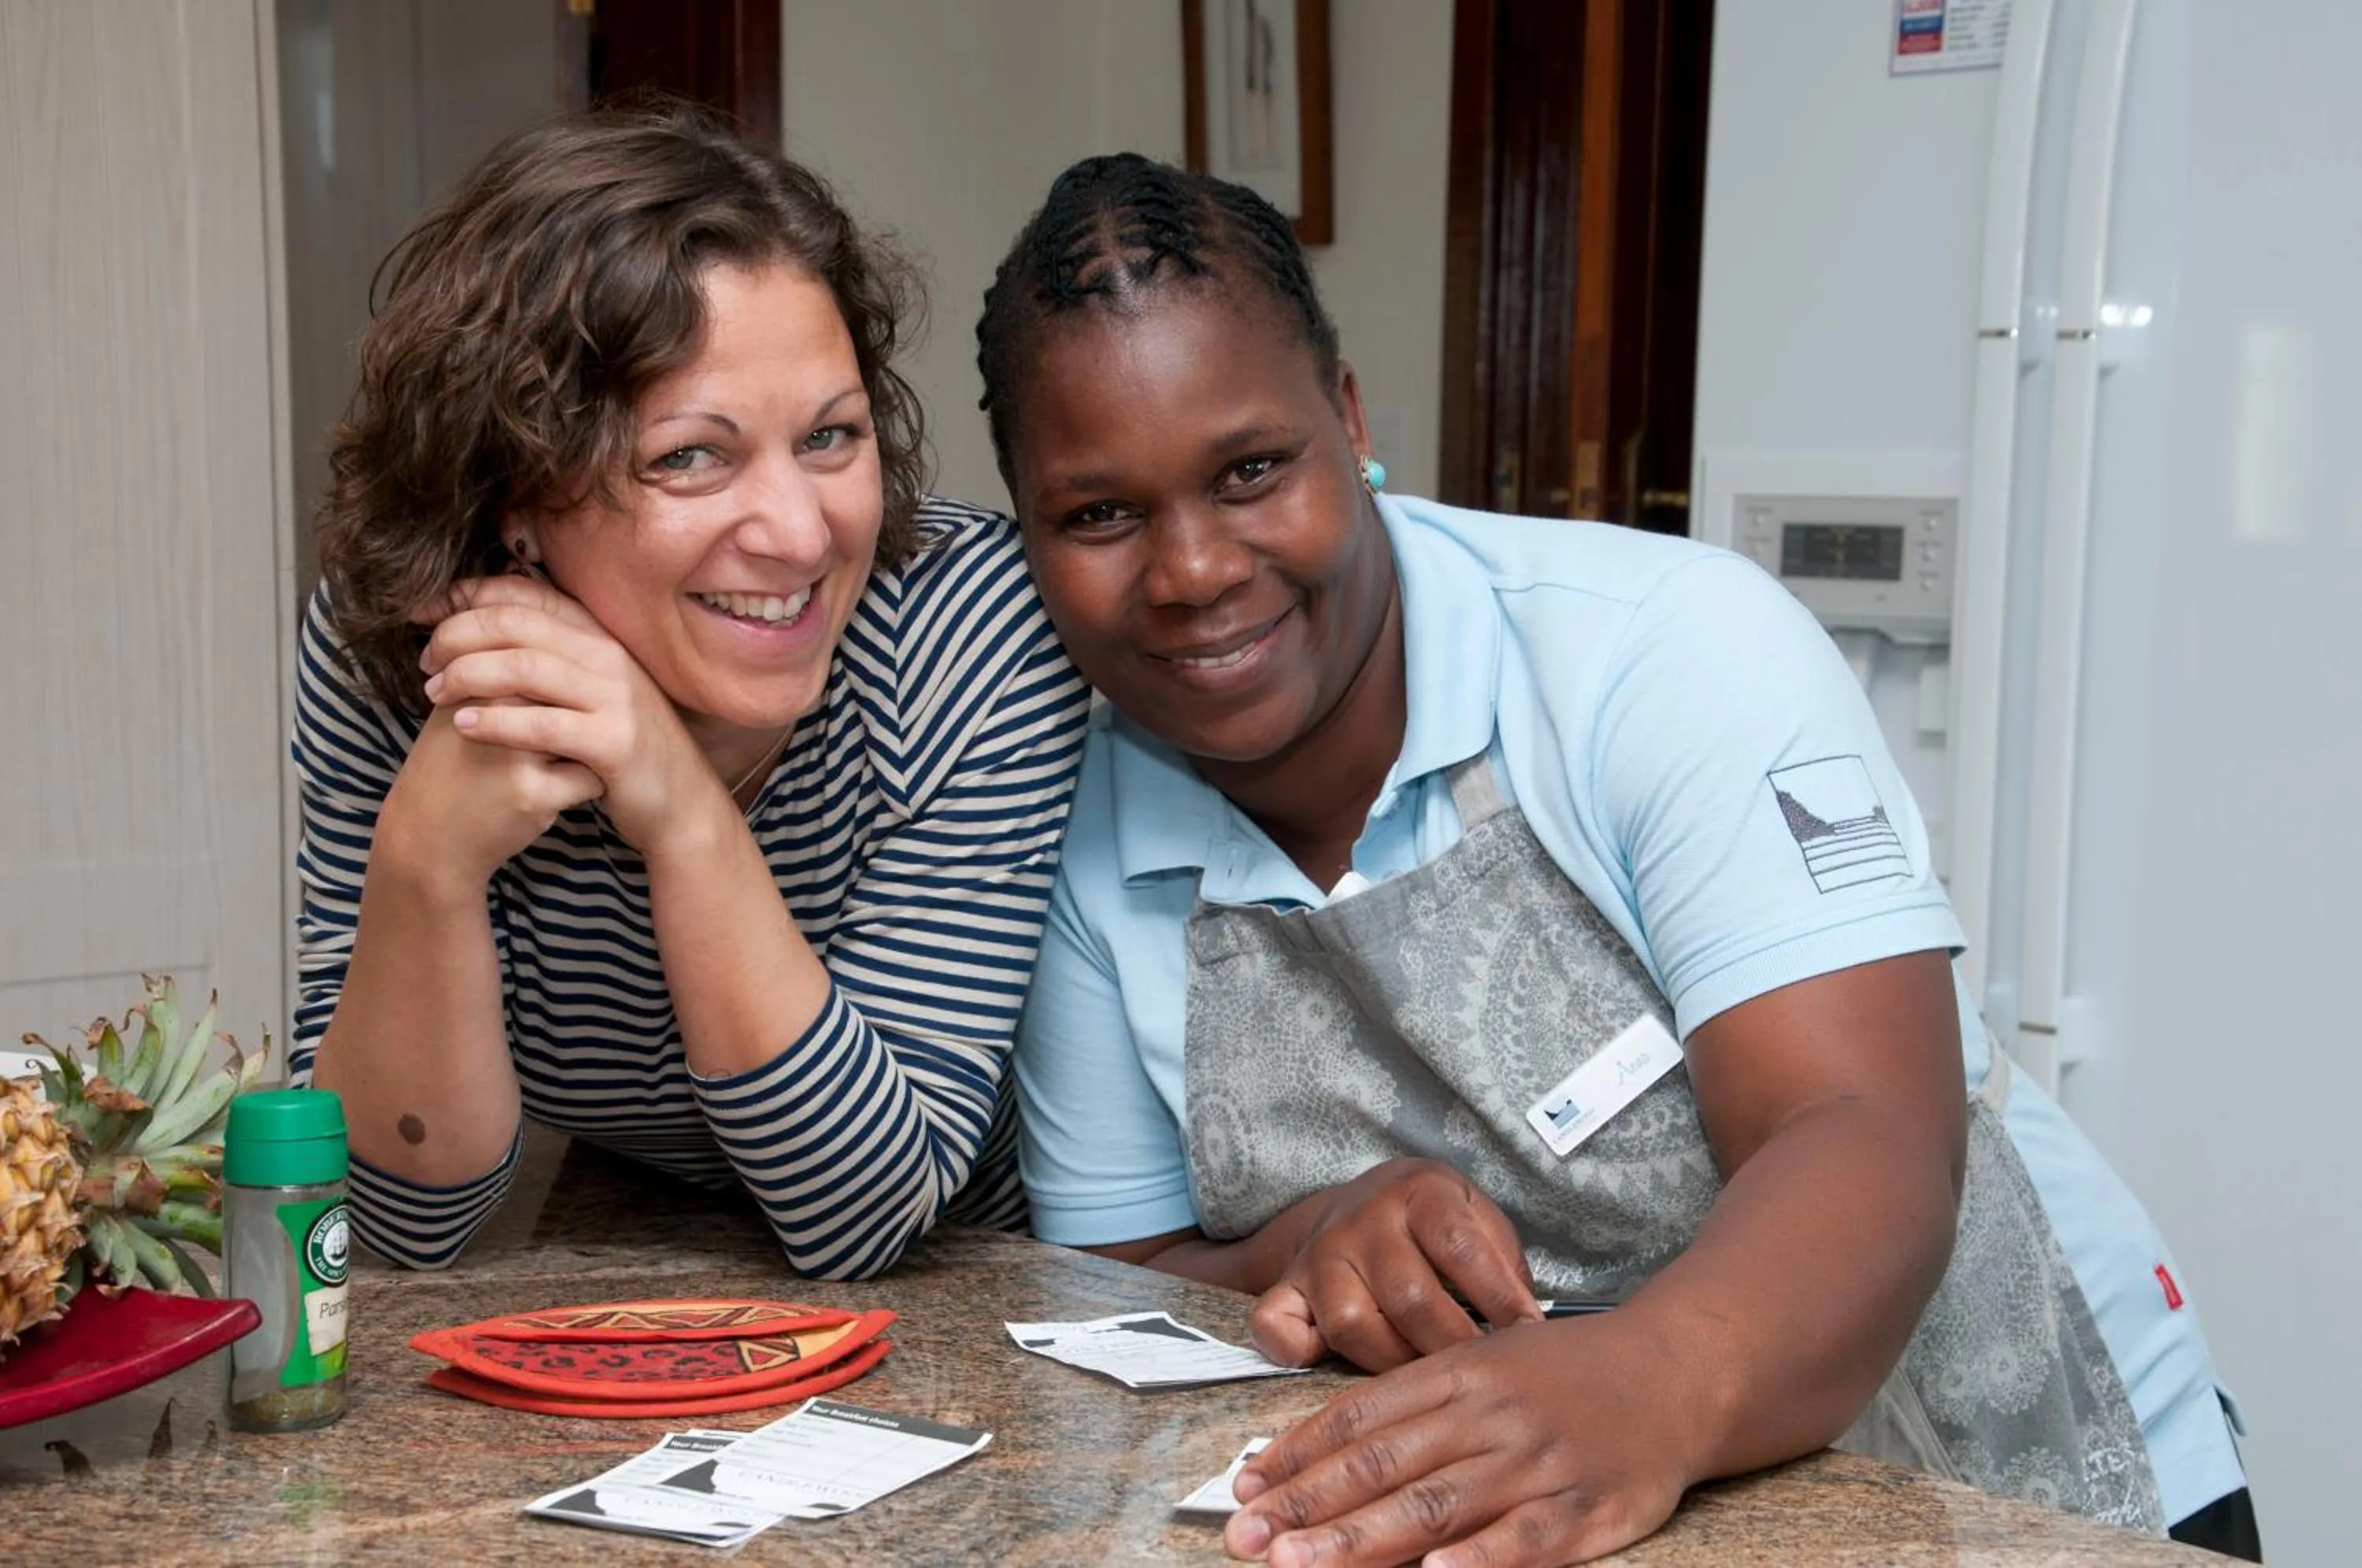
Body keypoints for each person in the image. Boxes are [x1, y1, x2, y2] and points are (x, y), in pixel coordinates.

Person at [987, 155, 2258, 1565]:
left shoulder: (1668, 652)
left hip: (2010, 1478)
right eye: (1099, 514)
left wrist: (1644, 1383)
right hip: (1557, 1507)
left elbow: (1862, 1126)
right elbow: (1117, 1279)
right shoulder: (1072, 819)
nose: (1192, 571)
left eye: (1251, 472)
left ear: (1347, 419)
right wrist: (1313, 1237)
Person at [287, 109, 1090, 1282]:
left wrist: (677, 808)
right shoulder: (401, 654)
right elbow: (388, 1227)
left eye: (830, 436)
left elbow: (864, 1214)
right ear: (516, 496)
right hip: (633, 1263)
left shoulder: (968, 633)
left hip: (984, 1285)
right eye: (690, 456)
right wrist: (425, 865)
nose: (800, 533)